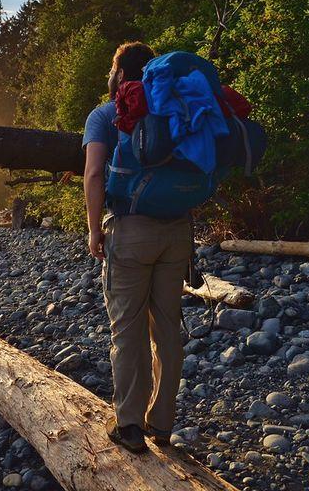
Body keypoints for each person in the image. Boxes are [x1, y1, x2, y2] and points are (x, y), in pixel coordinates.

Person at [82, 41, 191, 453]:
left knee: (127, 329)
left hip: (130, 230)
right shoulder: (173, 107)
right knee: (166, 327)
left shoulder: (107, 114)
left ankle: (129, 425)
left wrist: (94, 230)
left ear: (118, 73)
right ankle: (161, 424)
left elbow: (94, 174)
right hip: (177, 231)